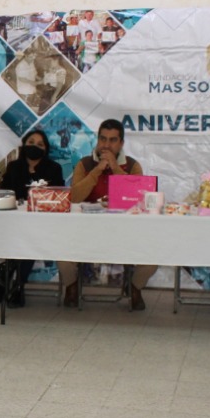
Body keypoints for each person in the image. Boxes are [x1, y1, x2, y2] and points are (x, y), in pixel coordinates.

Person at [61, 119, 158, 310]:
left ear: (121, 143)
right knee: (61, 253)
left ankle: (134, 287)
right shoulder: (85, 164)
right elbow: (75, 198)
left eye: (113, 140)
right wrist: (97, 170)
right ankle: (72, 286)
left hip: (124, 231)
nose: (106, 145)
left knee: (153, 258)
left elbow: (139, 198)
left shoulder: (132, 165)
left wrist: (115, 168)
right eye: (103, 139)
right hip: (86, 230)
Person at [0, 129, 64, 307]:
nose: (34, 146)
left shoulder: (54, 169)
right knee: (20, 236)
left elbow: (59, 197)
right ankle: (15, 285)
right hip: (14, 222)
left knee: (27, 238)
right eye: (31, 142)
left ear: (46, 149)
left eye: (40, 144)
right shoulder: (14, 167)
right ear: (23, 145)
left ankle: (17, 285)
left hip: (43, 224)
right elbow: (6, 193)